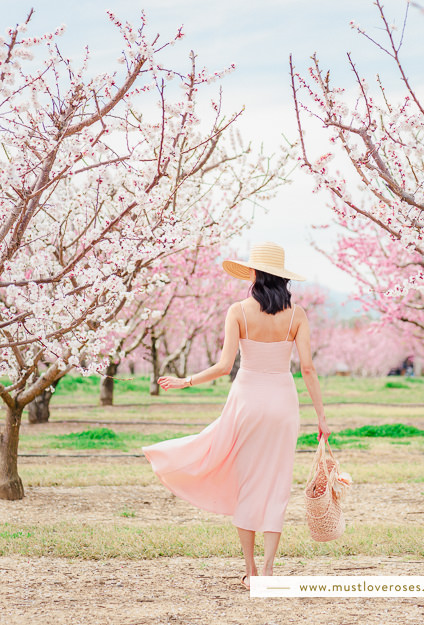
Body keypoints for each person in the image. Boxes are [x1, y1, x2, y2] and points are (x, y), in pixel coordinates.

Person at [142, 241, 331, 591]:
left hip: (246, 400)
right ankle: (271, 573)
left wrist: (186, 381)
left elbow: (225, 365)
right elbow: (307, 368)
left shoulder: (238, 311)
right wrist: (321, 415)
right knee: (277, 484)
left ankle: (251, 571)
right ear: (283, 279)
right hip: (283, 403)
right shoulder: (297, 315)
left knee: (248, 482)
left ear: (255, 274)